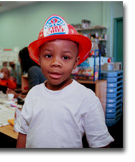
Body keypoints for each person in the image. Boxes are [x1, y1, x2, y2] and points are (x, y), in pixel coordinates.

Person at [15, 14, 114, 148]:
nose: (56, 63)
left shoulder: (87, 98)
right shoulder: (33, 94)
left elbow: (101, 144)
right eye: (48, 55)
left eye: (66, 57)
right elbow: (23, 132)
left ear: (76, 62)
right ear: (39, 59)